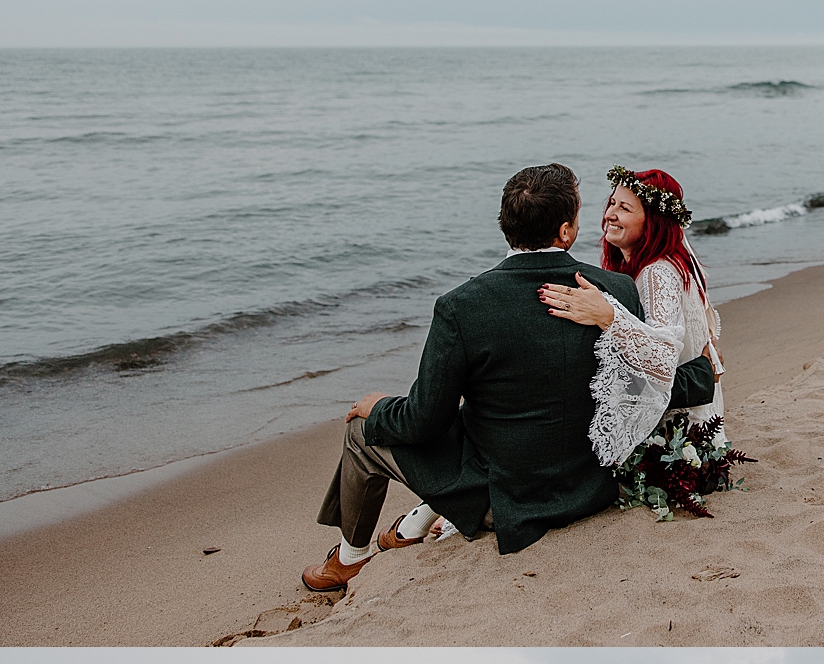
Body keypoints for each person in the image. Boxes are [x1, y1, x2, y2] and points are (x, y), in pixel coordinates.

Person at [301, 163, 716, 592]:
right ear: (566, 232)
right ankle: (407, 526)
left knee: (361, 431)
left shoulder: (461, 306)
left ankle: (349, 559)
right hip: (589, 489)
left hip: (509, 504)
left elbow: (422, 422)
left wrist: (380, 407)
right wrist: (702, 373)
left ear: (506, 227)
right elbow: (634, 390)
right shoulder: (615, 290)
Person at [537, 166, 724, 468]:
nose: (610, 214)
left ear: (653, 222)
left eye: (624, 208)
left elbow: (661, 359)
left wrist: (606, 316)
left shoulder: (656, 274)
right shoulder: (661, 265)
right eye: (611, 203)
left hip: (674, 439)